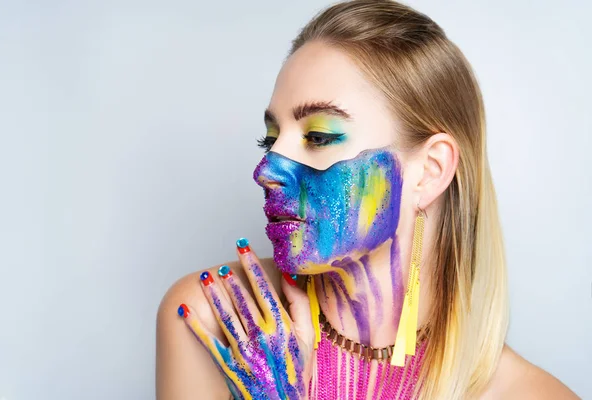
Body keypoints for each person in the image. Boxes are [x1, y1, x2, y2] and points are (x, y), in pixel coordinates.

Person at [156, 1, 580, 399]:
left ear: (430, 170)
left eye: (318, 137)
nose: (266, 171)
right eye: (269, 139)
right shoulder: (217, 321)